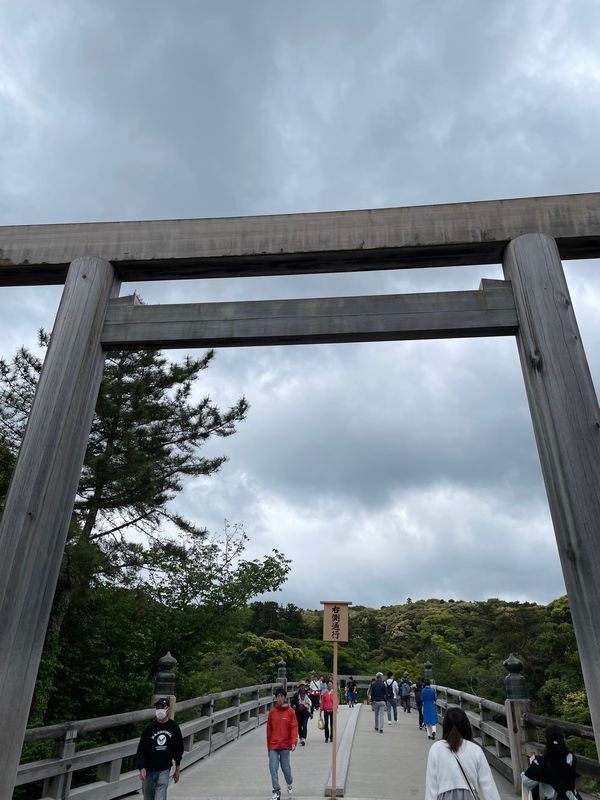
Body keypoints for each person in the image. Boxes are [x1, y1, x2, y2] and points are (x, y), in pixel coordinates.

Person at [425, 706, 501, 800]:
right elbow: (488, 785)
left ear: (445, 726)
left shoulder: (436, 749)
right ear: (466, 726)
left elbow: (431, 787)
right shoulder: (475, 750)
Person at [136, 697, 184, 800]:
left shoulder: (173, 727)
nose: (160, 709)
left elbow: (178, 749)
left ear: (168, 709)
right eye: (158, 707)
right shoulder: (149, 728)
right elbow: (141, 751)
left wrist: (177, 769)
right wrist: (142, 768)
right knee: (148, 797)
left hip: (164, 769)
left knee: (160, 796)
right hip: (149, 770)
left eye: (162, 707)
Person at [521, 725, 578, 800]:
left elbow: (526, 781)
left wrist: (534, 763)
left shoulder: (540, 763)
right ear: (563, 739)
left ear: (546, 740)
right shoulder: (571, 757)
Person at [267, 686, 298, 800]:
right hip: (274, 745)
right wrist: (268, 748)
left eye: (282, 696)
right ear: (276, 698)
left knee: (286, 769)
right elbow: (269, 732)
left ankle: (289, 782)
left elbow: (294, 727)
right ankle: (276, 791)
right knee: (273, 768)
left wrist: (294, 741)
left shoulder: (290, 712)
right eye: (278, 696)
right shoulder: (272, 713)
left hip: (285, 745)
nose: (279, 698)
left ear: (285, 698)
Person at [290, 680, 313, 746]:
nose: (302, 687)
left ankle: (304, 738)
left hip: (306, 712)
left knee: (304, 725)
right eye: (301, 686)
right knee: (299, 726)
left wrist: (311, 713)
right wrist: (293, 705)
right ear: (299, 687)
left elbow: (311, 704)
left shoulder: (308, 694)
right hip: (298, 712)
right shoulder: (296, 694)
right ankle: (300, 737)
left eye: (303, 686)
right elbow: (292, 702)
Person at [319, 678, 337, 743]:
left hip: (332, 710)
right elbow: (322, 702)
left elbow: (336, 702)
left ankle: (331, 737)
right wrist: (321, 710)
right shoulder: (325, 693)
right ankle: (326, 737)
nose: (329, 685)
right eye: (328, 684)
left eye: (330, 684)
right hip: (326, 710)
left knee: (332, 724)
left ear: (332, 685)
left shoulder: (334, 693)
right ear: (327, 685)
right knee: (326, 724)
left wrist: (335, 708)